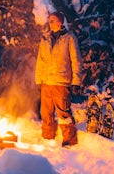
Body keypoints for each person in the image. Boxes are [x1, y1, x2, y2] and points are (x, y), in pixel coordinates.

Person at [35, 11, 82, 147]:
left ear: (60, 22)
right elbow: (40, 61)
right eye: (49, 20)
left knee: (64, 114)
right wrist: (38, 80)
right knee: (46, 114)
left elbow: (76, 60)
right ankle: (47, 137)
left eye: (52, 20)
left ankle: (69, 142)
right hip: (46, 82)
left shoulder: (69, 38)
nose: (49, 23)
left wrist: (76, 81)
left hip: (61, 82)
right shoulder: (45, 39)